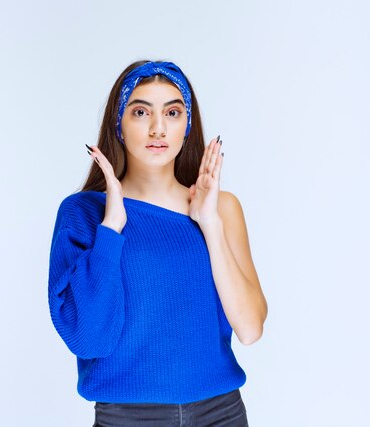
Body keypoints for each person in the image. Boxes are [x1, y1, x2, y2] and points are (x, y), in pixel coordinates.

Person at [47, 59, 268, 426]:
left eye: (173, 112)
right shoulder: (83, 214)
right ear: (119, 125)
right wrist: (112, 227)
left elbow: (250, 329)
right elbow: (89, 340)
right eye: (140, 112)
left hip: (221, 412)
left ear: (187, 125)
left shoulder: (222, 207)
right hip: (128, 418)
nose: (157, 128)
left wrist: (209, 223)